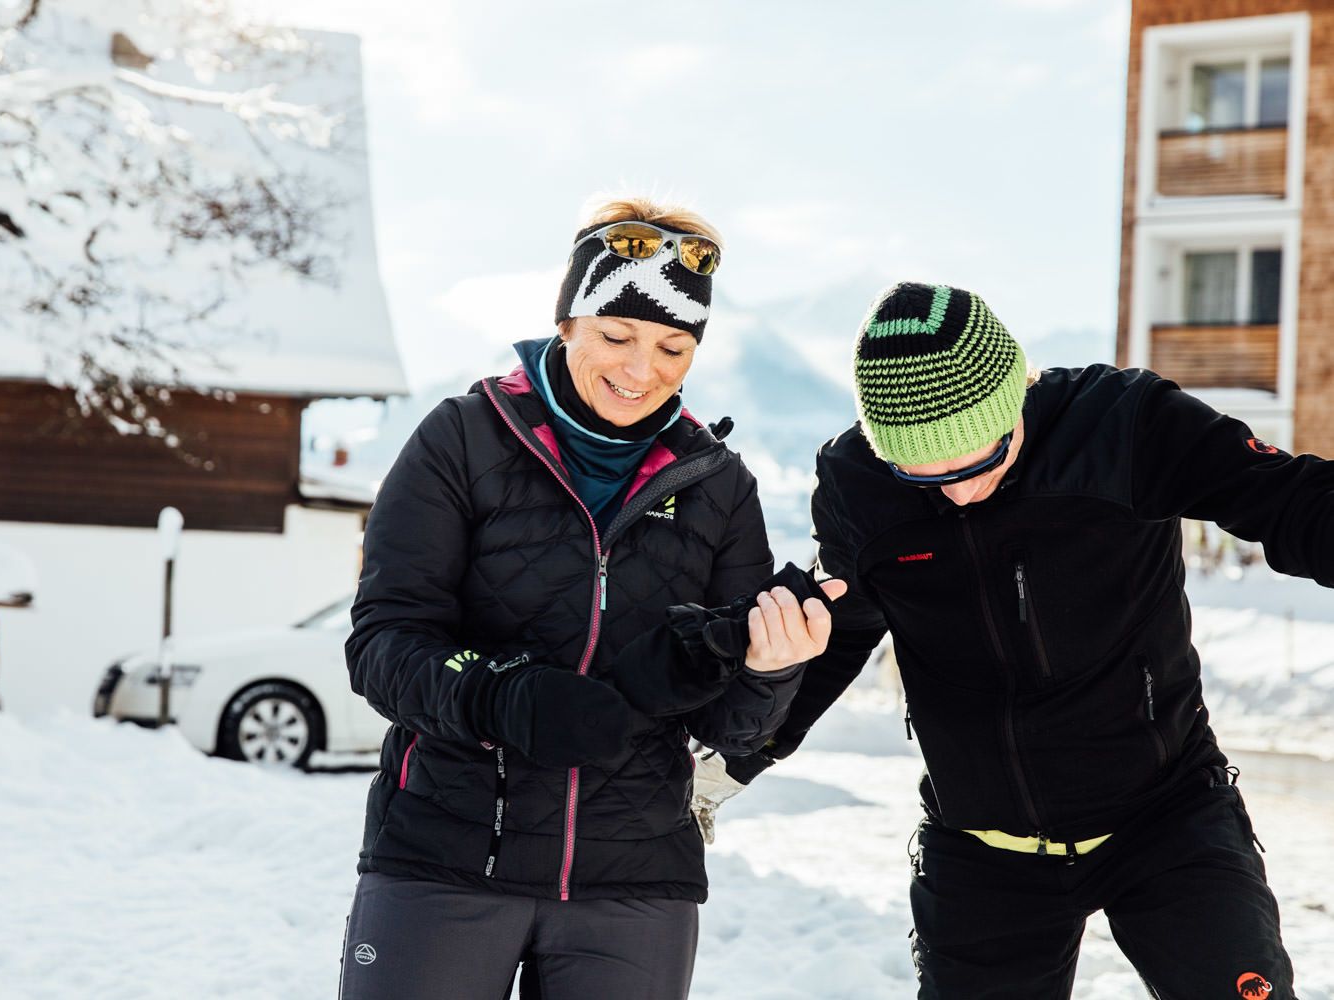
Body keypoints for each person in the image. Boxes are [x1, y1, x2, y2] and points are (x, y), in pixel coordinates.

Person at [694, 281, 1332, 999]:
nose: (958, 492)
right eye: (923, 475)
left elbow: (1288, 498)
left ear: (1012, 399)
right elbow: (836, 635)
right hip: (983, 852)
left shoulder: (1123, 427)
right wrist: (738, 757)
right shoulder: (858, 486)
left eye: (977, 461)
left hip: (1167, 818)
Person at [340, 197, 844, 1000]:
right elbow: (382, 645)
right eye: (615, 336)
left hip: (634, 882)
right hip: (446, 856)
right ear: (568, 321)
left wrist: (770, 667)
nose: (641, 371)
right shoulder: (463, 439)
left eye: (672, 347)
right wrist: (500, 695)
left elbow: (731, 727)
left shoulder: (718, 486)